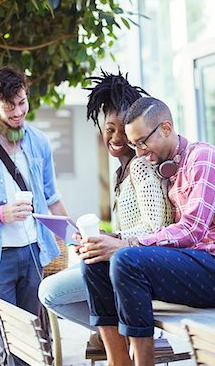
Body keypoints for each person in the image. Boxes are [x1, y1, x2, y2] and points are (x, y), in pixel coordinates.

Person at [80, 96, 215, 366]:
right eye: (134, 144)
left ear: (166, 128)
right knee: (94, 261)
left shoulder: (203, 158)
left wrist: (128, 245)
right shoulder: (169, 169)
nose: (139, 152)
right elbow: (167, 231)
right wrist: (109, 241)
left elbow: (192, 230)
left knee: (126, 259)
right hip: (194, 264)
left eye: (142, 142)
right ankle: (118, 361)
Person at [38, 72, 173, 345]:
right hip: (121, 260)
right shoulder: (121, 172)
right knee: (55, 288)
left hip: (140, 263)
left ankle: (121, 338)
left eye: (123, 128)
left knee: (50, 292)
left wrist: (112, 239)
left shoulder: (141, 167)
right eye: (109, 129)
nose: (115, 136)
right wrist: (101, 236)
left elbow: (157, 228)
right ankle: (119, 336)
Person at [0, 67, 67, 366]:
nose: (18, 111)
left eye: (22, 102)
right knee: (9, 345)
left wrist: (75, 234)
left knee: (34, 343)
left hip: (34, 251)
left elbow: (52, 197)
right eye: (10, 106)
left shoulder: (38, 142)